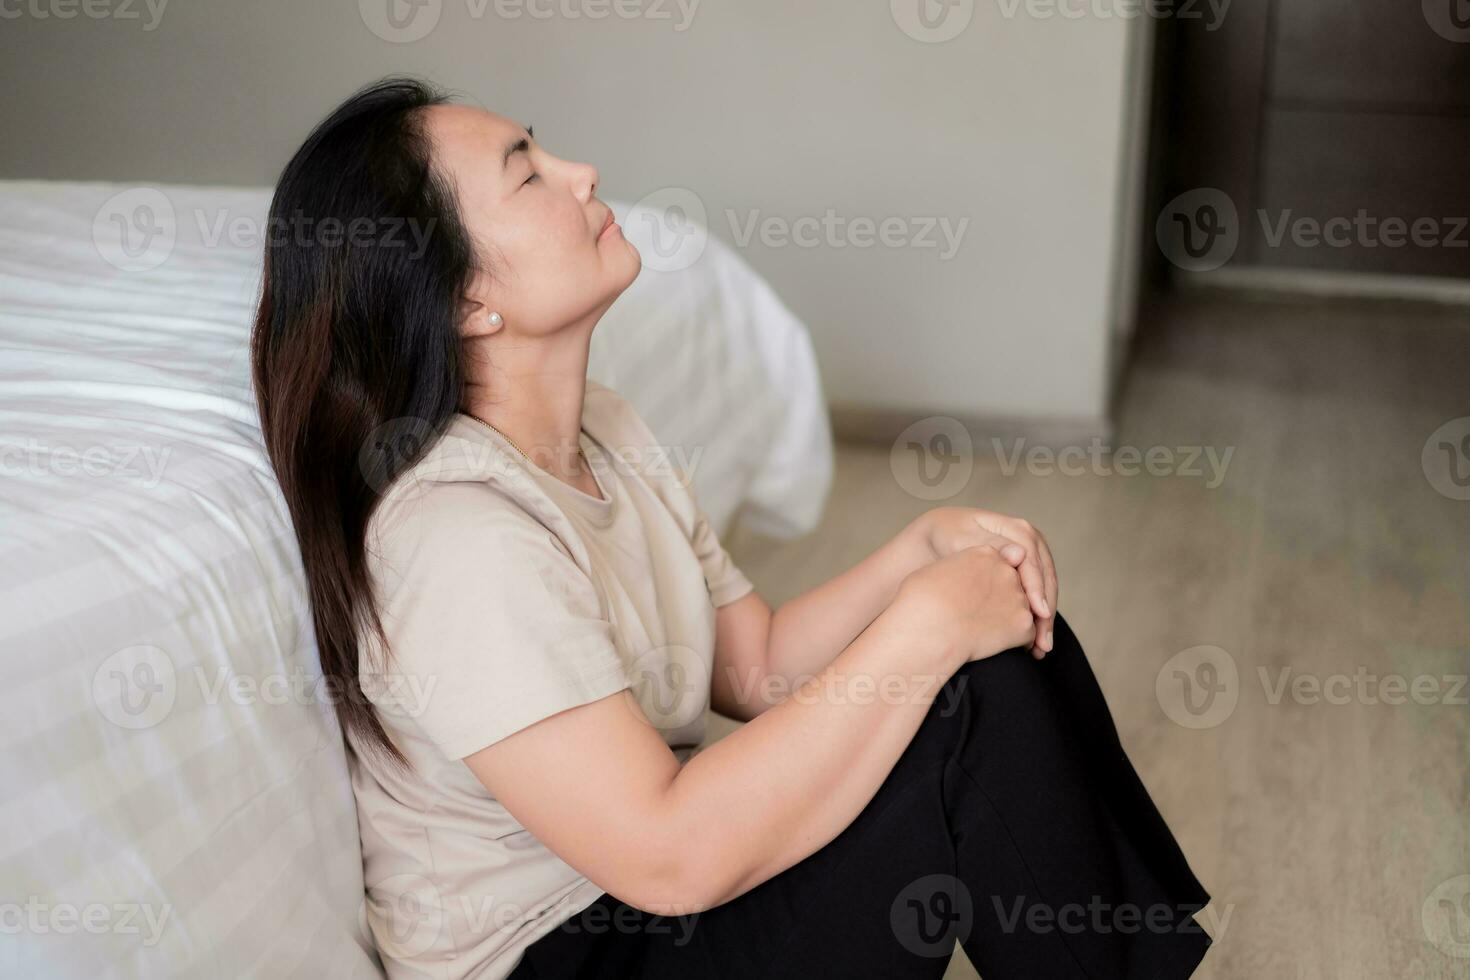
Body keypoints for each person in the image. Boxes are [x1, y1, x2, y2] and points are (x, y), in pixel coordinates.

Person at [249, 75, 1213, 980]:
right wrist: (926, 628)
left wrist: (916, 558)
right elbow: (667, 858)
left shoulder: (608, 428)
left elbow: (749, 665)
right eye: (529, 173)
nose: (581, 175)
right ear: (467, 299)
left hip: (642, 904)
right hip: (569, 952)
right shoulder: (458, 536)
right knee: (967, 695)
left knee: (998, 631)